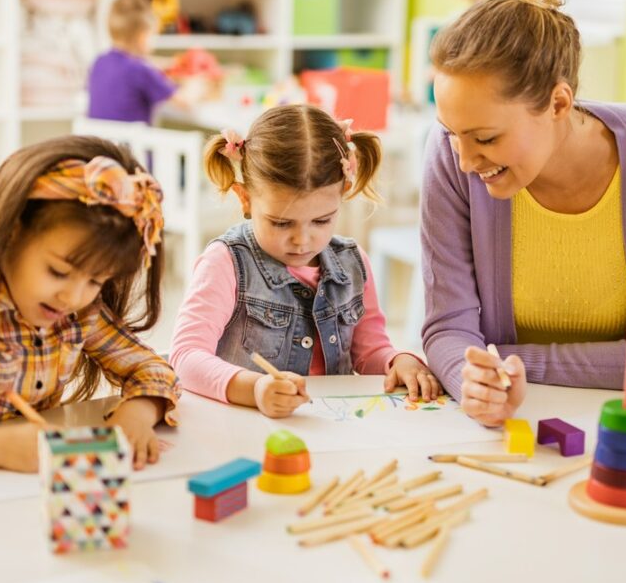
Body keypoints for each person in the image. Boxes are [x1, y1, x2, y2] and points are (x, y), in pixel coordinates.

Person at [422, 0, 626, 427]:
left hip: (621, 423)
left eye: (486, 139)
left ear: (558, 102)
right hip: (504, 428)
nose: (466, 161)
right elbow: (449, 328)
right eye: (451, 133)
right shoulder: (451, 152)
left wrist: (507, 364)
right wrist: (475, 382)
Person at [0, 136, 179, 472]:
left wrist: (137, 414)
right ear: (12, 232)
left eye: (96, 281)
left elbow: (153, 368)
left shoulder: (77, 314)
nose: (73, 297)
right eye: (58, 271)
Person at [170, 105, 438, 418]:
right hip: (245, 429)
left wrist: (398, 362)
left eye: (322, 221)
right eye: (281, 223)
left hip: (326, 428)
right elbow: (186, 356)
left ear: (343, 193)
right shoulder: (225, 262)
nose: (302, 239)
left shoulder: (353, 263)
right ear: (245, 198)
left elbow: (370, 351)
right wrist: (254, 389)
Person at [87, 0, 185, 123]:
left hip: (100, 142)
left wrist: (169, 63)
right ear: (142, 37)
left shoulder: (100, 62)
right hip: (130, 143)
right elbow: (184, 102)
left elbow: (133, 67)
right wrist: (198, 85)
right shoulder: (141, 70)